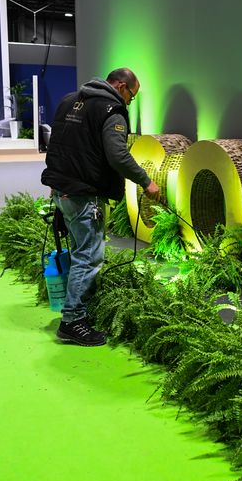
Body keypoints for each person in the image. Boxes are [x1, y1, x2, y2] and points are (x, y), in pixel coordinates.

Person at [41, 68, 160, 346]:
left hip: (62, 191)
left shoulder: (69, 100)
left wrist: (58, 185)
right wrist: (146, 182)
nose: (130, 102)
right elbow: (117, 154)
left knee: (79, 251)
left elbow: (56, 146)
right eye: (132, 95)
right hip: (84, 194)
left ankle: (76, 310)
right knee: (89, 257)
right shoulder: (111, 111)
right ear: (120, 86)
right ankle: (72, 321)